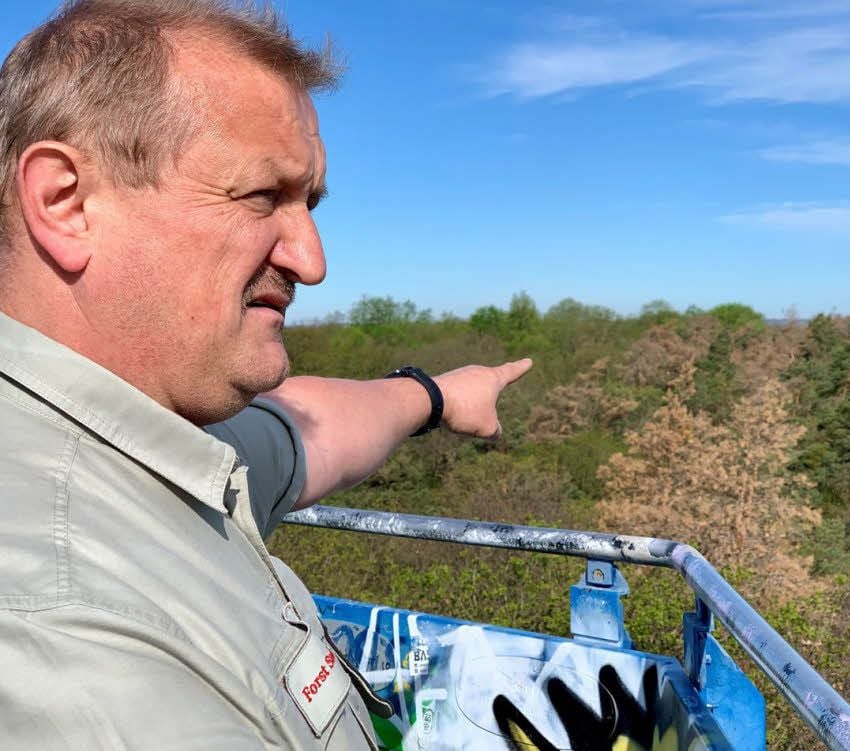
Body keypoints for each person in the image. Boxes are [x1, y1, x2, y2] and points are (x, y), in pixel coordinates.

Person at [0, 1, 531, 748]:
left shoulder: (146, 442)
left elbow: (306, 426)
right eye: (261, 196)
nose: (312, 262)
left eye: (308, 203)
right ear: (67, 202)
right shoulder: (67, 634)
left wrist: (438, 395)